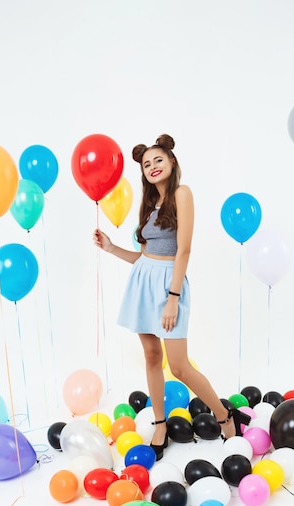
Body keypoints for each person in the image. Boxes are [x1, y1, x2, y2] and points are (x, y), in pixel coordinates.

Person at [93, 134, 249, 460]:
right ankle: (160, 423)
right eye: (146, 164)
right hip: (142, 281)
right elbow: (145, 257)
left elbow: (184, 249)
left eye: (157, 160)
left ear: (172, 162)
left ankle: (224, 414)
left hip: (168, 285)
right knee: (151, 356)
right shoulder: (150, 206)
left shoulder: (182, 193)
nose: (152, 167)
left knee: (178, 366)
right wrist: (111, 248)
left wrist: (173, 297)